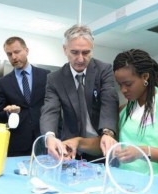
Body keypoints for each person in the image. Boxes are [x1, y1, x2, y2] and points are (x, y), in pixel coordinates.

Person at [49, 49, 158, 178]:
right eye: (120, 85)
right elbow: (107, 143)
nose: (123, 90)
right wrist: (78, 142)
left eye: (128, 84)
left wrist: (144, 152)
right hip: (126, 183)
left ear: (145, 77)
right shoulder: (124, 110)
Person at [41, 24, 119, 160]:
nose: (80, 59)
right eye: (74, 52)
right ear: (65, 50)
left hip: (99, 145)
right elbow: (50, 110)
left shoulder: (104, 70)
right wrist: (49, 136)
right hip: (70, 148)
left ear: (92, 50)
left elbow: (109, 102)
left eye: (86, 52)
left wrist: (108, 133)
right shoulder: (55, 79)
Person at [0, 37, 50, 156]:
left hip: (44, 139)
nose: (13, 57)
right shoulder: (4, 83)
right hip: (18, 144)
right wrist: (9, 113)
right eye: (9, 54)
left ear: (26, 51)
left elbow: (54, 107)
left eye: (17, 52)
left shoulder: (46, 76)